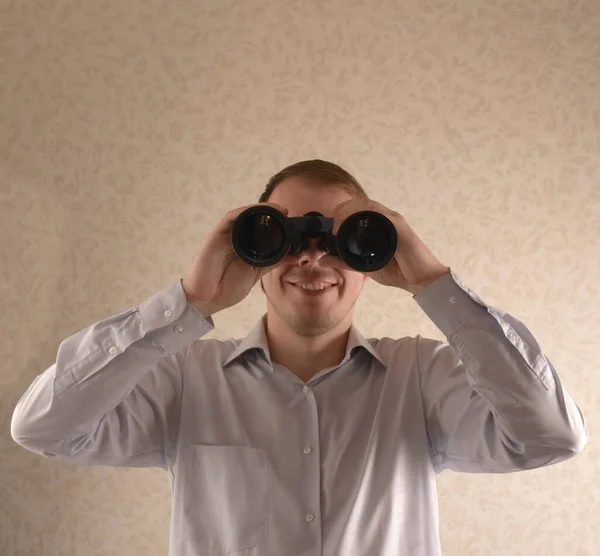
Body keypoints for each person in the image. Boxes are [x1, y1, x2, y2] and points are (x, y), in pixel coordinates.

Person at [11, 160, 588, 556]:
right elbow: (44, 427)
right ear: (256, 252)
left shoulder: (421, 378)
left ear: (370, 254)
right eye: (283, 239)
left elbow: (552, 437)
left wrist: (432, 282)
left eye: (341, 240)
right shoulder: (186, 380)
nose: (312, 259)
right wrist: (187, 302)